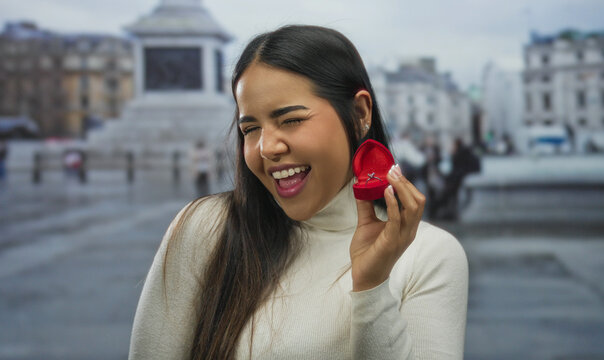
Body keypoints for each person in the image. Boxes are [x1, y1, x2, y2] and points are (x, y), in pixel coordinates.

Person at [129, 25, 468, 360]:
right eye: (250, 129)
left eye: (290, 120)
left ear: (360, 113)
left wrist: (372, 285)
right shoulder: (204, 227)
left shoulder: (430, 256)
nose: (266, 147)